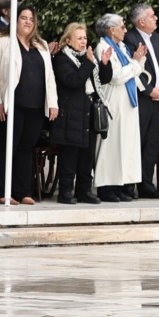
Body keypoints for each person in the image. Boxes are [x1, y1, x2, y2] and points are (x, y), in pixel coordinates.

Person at [0, 6, 58, 205]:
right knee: (7, 147)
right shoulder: (2, 42)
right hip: (12, 104)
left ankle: (23, 191)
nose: (28, 21)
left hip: (35, 105)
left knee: (26, 148)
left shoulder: (42, 45)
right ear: (15, 20)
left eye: (31, 18)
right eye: (23, 18)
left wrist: (53, 102)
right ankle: (2, 191)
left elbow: (49, 76)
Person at [125, 4, 159, 197]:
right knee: (137, 141)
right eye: (152, 16)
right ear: (141, 21)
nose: (156, 18)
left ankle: (146, 185)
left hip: (158, 100)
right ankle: (130, 186)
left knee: (152, 143)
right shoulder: (131, 39)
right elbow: (132, 70)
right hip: (141, 100)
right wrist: (149, 90)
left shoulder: (157, 39)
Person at [50, 23, 100, 203]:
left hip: (86, 113)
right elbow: (73, 81)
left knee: (87, 156)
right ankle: (65, 192)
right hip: (69, 114)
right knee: (69, 156)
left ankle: (84, 191)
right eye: (79, 38)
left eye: (85, 38)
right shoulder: (62, 59)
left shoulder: (85, 58)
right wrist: (88, 62)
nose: (83, 41)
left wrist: (105, 64)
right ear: (68, 40)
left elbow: (102, 79)